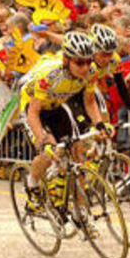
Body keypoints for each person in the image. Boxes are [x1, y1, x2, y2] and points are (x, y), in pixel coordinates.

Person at [19, 32, 107, 236]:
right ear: (67, 60)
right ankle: (32, 186)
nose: (85, 67)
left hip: (57, 105)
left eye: (88, 61)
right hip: (33, 107)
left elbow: (90, 102)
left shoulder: (90, 72)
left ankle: (80, 213)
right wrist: (43, 138)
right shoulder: (49, 75)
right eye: (79, 63)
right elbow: (34, 113)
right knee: (48, 150)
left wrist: (100, 125)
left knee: (78, 155)